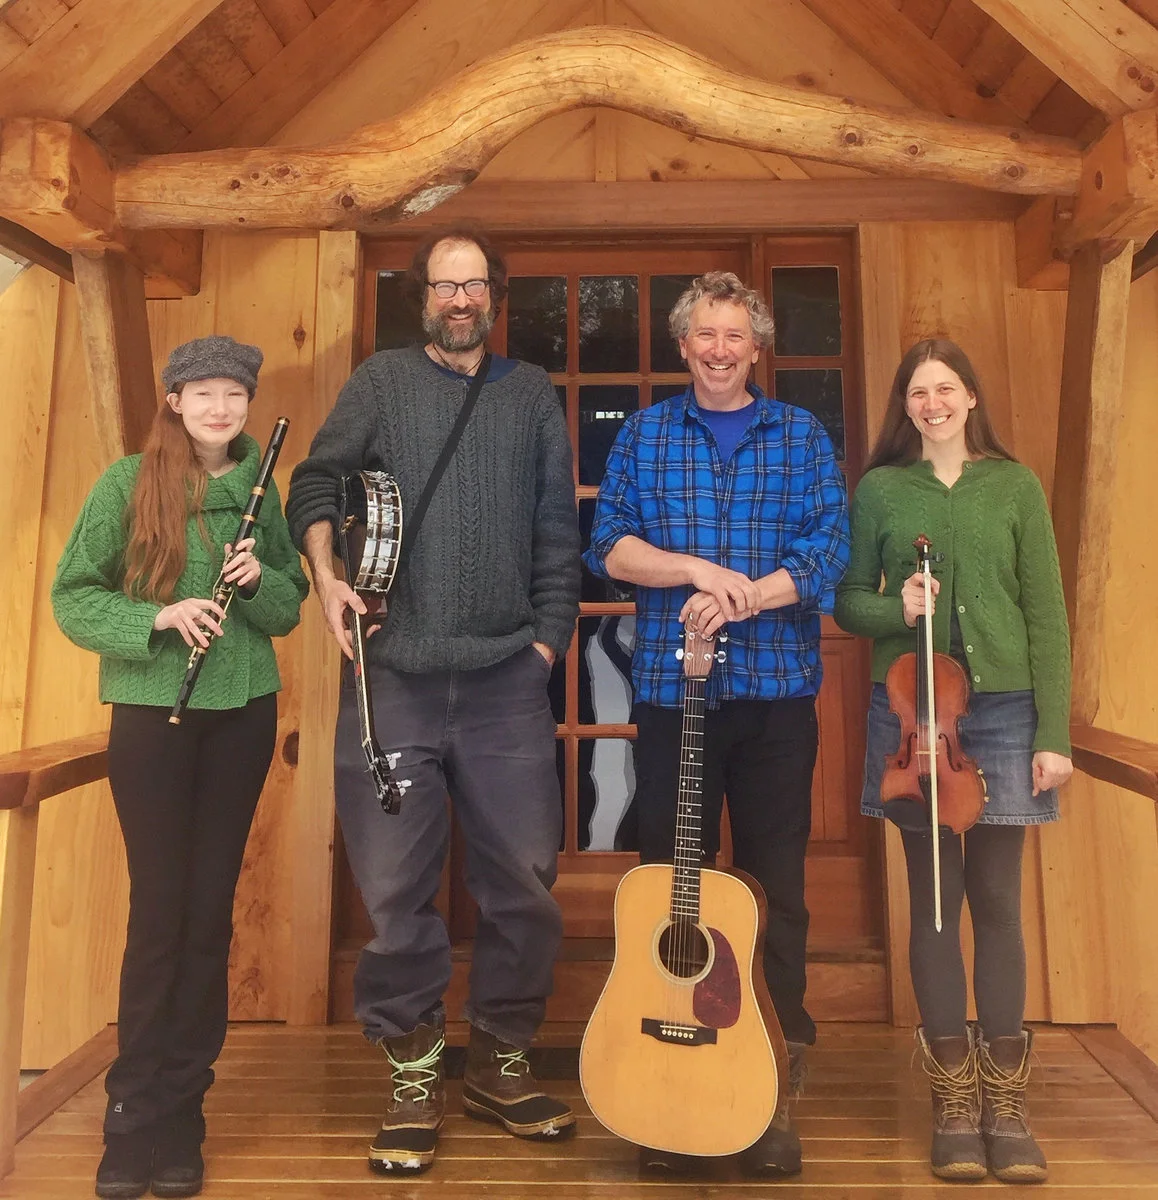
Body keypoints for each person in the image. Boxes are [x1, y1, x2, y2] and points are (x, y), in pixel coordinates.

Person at [286, 227, 580, 1174]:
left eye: (475, 283)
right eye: (444, 284)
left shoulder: (530, 394)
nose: (460, 298)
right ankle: (413, 1074)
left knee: (525, 885)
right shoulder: (378, 382)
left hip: (505, 679)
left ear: (497, 293)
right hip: (393, 677)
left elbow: (554, 529)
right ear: (425, 297)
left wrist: (543, 645)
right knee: (394, 891)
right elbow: (315, 480)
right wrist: (328, 576)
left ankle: (499, 1060)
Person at [584, 271, 850, 1176]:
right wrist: (698, 570)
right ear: (684, 344)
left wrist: (749, 597)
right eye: (705, 334)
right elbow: (609, 543)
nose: (720, 349)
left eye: (735, 334)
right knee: (670, 887)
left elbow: (829, 549)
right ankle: (668, 1085)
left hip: (776, 695)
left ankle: (772, 1085)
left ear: (757, 345)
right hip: (672, 696)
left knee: (776, 888)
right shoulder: (650, 434)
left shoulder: (802, 434)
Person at [51, 336, 309, 1199]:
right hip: (153, 719)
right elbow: (73, 596)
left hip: (241, 714)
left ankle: (184, 1112)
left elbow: (285, 605)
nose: (221, 407)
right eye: (203, 391)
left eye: (234, 392)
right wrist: (159, 619)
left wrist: (257, 573)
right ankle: (131, 1116)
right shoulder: (127, 484)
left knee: (208, 917)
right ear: (172, 399)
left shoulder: (258, 489)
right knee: (160, 912)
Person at [834, 338, 1072, 1185]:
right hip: (911, 714)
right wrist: (893, 603)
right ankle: (953, 1101)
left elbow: (1046, 612)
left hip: (1003, 714)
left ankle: (1007, 1104)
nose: (931, 403)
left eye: (945, 389)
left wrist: (1056, 735)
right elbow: (848, 601)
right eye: (917, 392)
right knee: (932, 899)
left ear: (971, 397)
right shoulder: (880, 491)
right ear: (906, 407)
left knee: (997, 901)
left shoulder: (1014, 484)